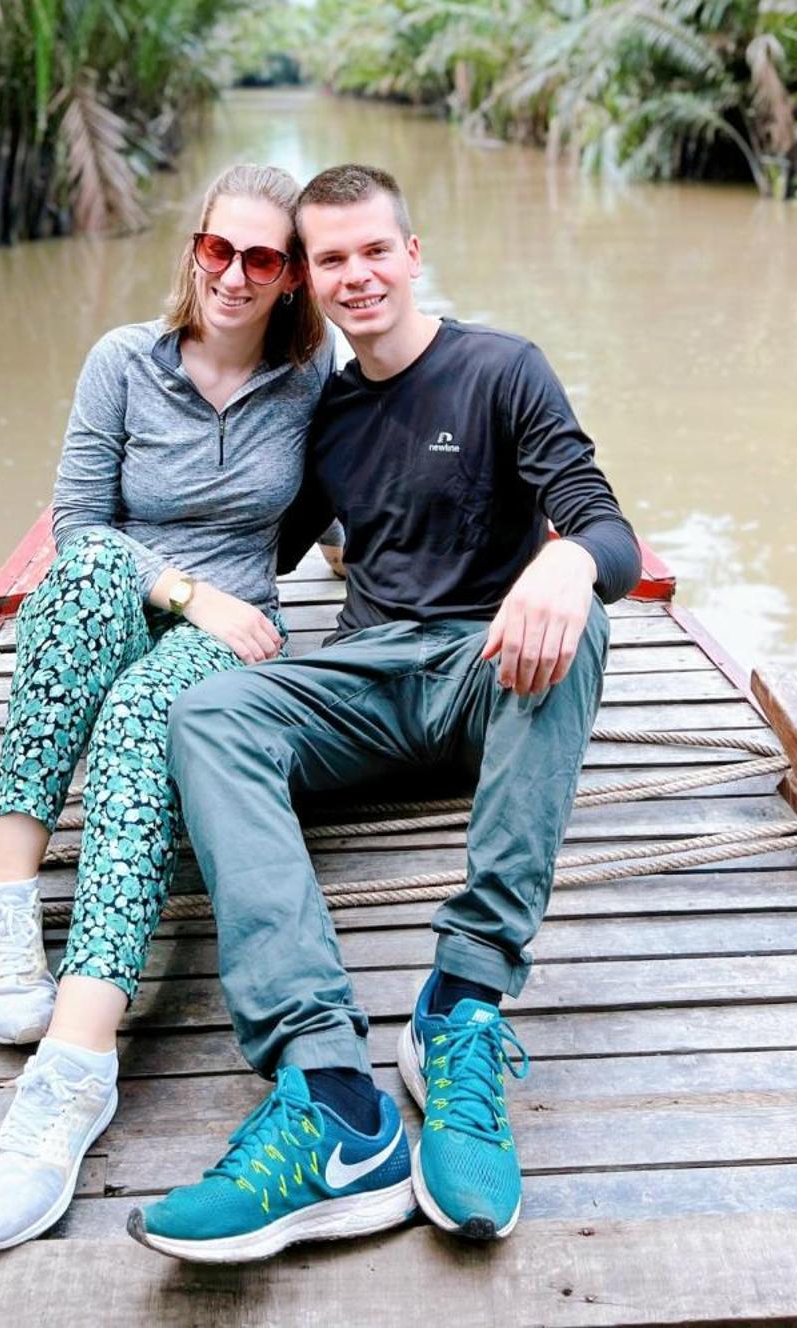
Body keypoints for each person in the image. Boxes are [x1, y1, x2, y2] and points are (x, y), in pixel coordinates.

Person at [129, 162, 641, 1265]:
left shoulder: (502, 368)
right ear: (309, 283)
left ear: (411, 254)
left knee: (586, 617)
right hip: (368, 680)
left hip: (484, 675)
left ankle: (461, 1002)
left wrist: (565, 570)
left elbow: (608, 530)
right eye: (330, 259)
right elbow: (248, 541)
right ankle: (331, 1094)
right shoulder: (326, 408)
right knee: (214, 714)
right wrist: (145, 567)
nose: (356, 275)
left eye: (374, 250)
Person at [0, 161, 335, 1253]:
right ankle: (7, 891)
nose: (235, 274)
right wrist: (177, 584)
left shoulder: (311, 379)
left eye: (263, 258)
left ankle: (74, 1069)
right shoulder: (122, 360)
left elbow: (357, 481)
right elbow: (77, 524)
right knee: (75, 585)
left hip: (235, 634)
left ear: (292, 277)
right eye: (220, 248)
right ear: (193, 246)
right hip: (140, 591)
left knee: (136, 720)